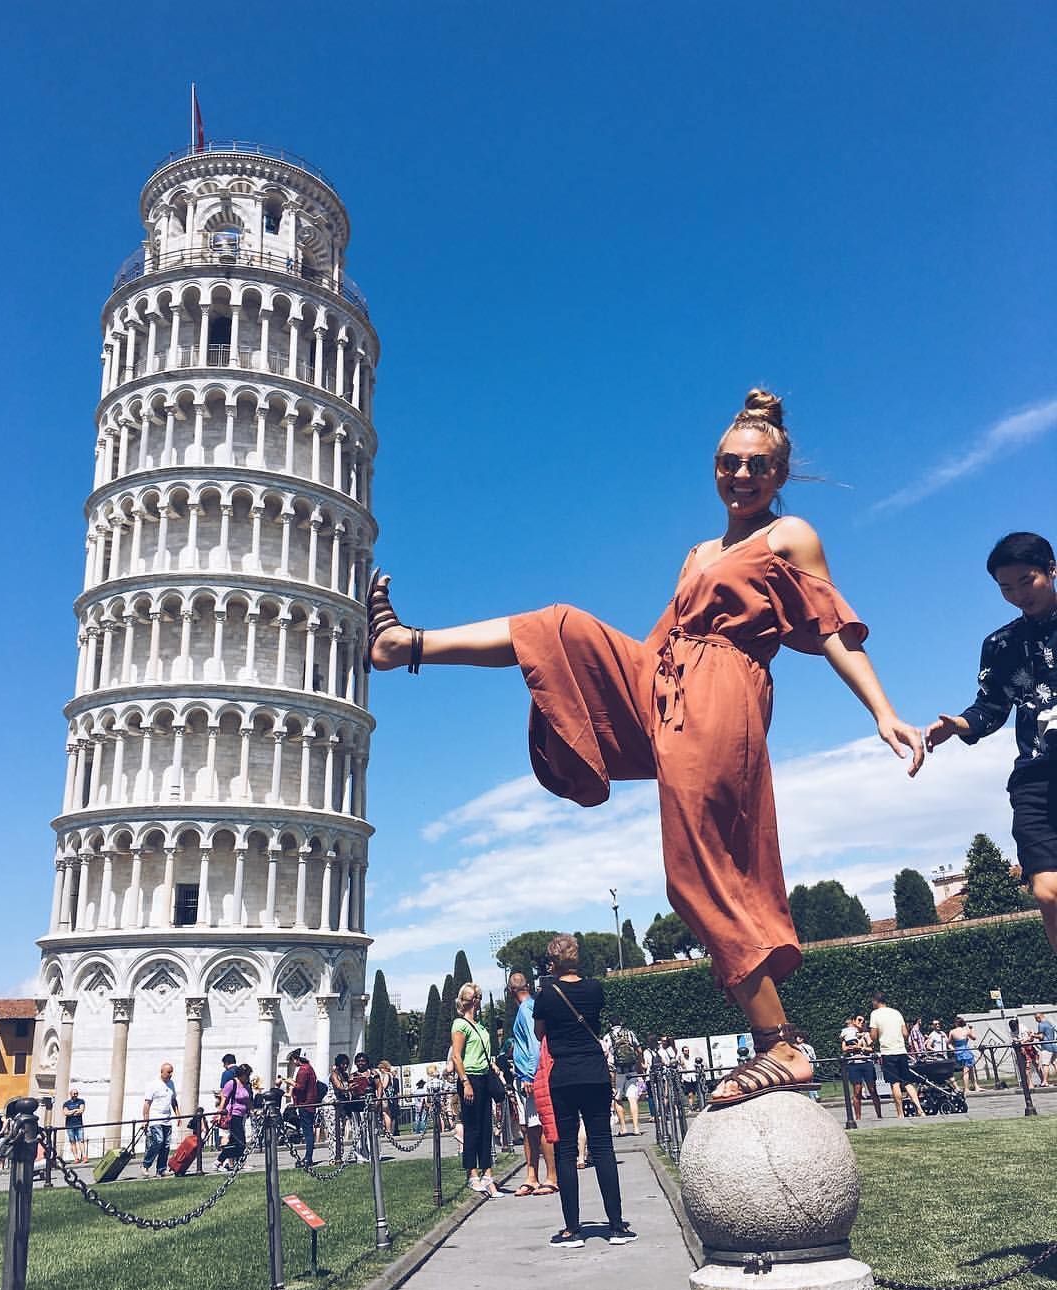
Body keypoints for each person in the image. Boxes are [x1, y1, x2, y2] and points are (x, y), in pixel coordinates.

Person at [367, 389, 923, 1106]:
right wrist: (610, 684)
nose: (741, 475)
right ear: (714, 468)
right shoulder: (698, 552)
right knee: (557, 625)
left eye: (757, 466)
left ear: (779, 476)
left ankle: (779, 1045)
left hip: (725, 693)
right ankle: (403, 645)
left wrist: (884, 711)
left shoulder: (789, 538)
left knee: (695, 872)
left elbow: (833, 631)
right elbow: (663, 640)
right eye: (729, 463)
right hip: (666, 678)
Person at [924, 531, 1057, 956]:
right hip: (1035, 777)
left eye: (1027, 581)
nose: (1018, 594)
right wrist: (960, 724)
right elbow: (992, 707)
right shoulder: (999, 645)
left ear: (1051, 570)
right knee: (1048, 892)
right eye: (1005, 588)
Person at [534, 933, 637, 1248]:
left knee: (566, 1151)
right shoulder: (595, 989)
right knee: (603, 1147)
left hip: (564, 1075)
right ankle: (617, 1226)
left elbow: (541, 1034)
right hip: (594, 1072)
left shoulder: (547, 994)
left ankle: (572, 1230)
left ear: (553, 962)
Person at [508, 970, 558, 1197]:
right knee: (530, 1128)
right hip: (526, 1076)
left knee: (540, 1124)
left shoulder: (526, 1010)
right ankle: (532, 1176)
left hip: (531, 1076)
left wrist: (529, 1075)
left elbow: (534, 1044)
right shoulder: (529, 1008)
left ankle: (551, 1176)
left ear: (510, 991)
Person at [450, 982, 501, 1196]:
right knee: (472, 1128)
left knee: (486, 1127)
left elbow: (484, 1054)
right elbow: (456, 1056)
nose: (478, 999)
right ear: (468, 1001)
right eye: (475, 996)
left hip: (484, 1077)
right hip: (469, 1078)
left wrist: (494, 1066)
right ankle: (472, 1173)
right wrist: (465, 1082)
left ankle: (488, 1175)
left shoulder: (480, 1027)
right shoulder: (459, 1025)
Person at [869, 995, 921, 1120]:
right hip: (901, 1051)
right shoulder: (896, 1013)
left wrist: (873, 1036)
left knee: (895, 1083)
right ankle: (920, 1109)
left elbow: (873, 1036)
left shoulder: (875, 1014)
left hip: (888, 1052)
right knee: (907, 1082)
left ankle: (900, 1113)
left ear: (876, 1001)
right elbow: (905, 1033)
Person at [602, 1017, 643, 1137]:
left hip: (616, 1072)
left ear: (610, 1024)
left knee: (618, 1099)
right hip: (631, 1070)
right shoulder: (630, 1033)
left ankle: (623, 1128)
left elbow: (605, 1053)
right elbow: (639, 1050)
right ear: (621, 1023)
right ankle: (636, 1128)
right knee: (632, 1098)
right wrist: (639, 1065)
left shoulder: (608, 1036)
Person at [840, 1016, 882, 1121]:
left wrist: (861, 1048)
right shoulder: (846, 1034)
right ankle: (858, 1118)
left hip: (866, 1063)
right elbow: (844, 1049)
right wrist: (850, 1049)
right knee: (857, 1091)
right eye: (859, 1020)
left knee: (872, 1090)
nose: (861, 1022)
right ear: (853, 1021)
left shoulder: (866, 1034)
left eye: (863, 1021)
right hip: (853, 1064)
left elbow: (871, 1049)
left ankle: (879, 1115)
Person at [142, 1062, 179, 1178]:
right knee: (158, 1141)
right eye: (168, 1072)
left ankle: (161, 1169)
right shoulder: (153, 1085)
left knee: (166, 1145)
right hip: (155, 1118)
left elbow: (174, 1100)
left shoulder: (171, 1084)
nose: (170, 1074)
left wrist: (178, 1114)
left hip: (167, 1119)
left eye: (172, 1072)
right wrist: (145, 1119)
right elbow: (147, 1103)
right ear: (162, 1071)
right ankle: (145, 1165)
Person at [216, 1063, 253, 1170]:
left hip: (242, 1116)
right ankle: (220, 1161)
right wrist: (220, 1114)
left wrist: (252, 1110)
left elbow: (248, 1100)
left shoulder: (247, 1085)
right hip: (233, 1116)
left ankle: (220, 1162)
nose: (248, 1078)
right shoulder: (232, 1083)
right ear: (241, 1074)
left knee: (233, 1143)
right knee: (240, 1143)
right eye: (246, 1075)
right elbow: (224, 1098)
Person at [289, 1049, 319, 1167]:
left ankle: (308, 1158)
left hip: (305, 1104)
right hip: (309, 1103)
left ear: (297, 1059)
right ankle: (308, 1156)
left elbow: (300, 1087)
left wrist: (290, 1082)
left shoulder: (303, 1070)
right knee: (308, 1131)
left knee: (307, 1132)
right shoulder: (309, 1068)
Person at [948, 1018, 978, 1093]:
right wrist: (971, 1029)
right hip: (965, 1051)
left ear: (956, 1023)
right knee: (967, 1070)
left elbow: (948, 1043)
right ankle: (966, 1088)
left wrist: (953, 1049)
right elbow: (974, 1038)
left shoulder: (952, 1032)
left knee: (969, 1069)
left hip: (958, 1051)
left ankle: (975, 1086)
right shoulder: (966, 1031)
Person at [63, 1088, 87, 1164]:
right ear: (70, 1094)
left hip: (79, 1125)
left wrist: (71, 1112)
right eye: (74, 1093)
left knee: (81, 1140)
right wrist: (74, 1110)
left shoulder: (81, 1101)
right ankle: (76, 1158)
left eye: (76, 1093)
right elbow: (66, 1113)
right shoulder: (66, 1103)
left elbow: (81, 1111)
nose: (75, 1095)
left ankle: (84, 1157)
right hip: (69, 1125)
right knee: (72, 1142)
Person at [1033, 1010, 1057, 1088]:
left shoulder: (1041, 1024)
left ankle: (1045, 1081)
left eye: (1036, 1019)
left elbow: (1041, 1036)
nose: (1036, 1021)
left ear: (1038, 1018)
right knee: (1055, 1063)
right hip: (1054, 1046)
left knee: (1045, 1064)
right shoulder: (1049, 1023)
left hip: (1046, 1047)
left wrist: (1033, 1035)